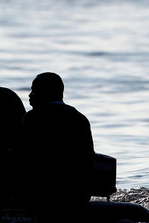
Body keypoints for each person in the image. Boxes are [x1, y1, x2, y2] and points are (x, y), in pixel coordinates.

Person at [16, 72, 95, 209]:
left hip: (44, 193)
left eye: (34, 91)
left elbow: (23, 154)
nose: (30, 95)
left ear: (44, 92)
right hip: (77, 194)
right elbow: (88, 156)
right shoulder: (80, 118)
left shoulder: (33, 117)